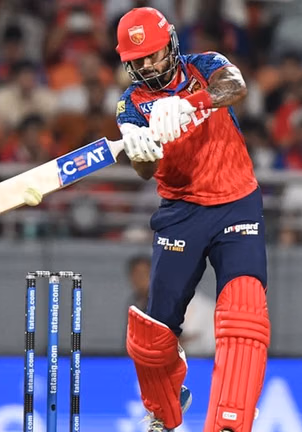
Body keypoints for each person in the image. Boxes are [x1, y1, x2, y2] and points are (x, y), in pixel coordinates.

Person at [114, 7, 270, 432]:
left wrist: (188, 104)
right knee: (152, 335)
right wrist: (142, 150)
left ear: (171, 43)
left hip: (237, 202)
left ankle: (232, 416)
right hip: (181, 212)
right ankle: (164, 407)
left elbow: (235, 85)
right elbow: (143, 171)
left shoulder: (204, 65)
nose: (149, 65)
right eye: (138, 60)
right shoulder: (130, 106)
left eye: (154, 54)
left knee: (244, 312)